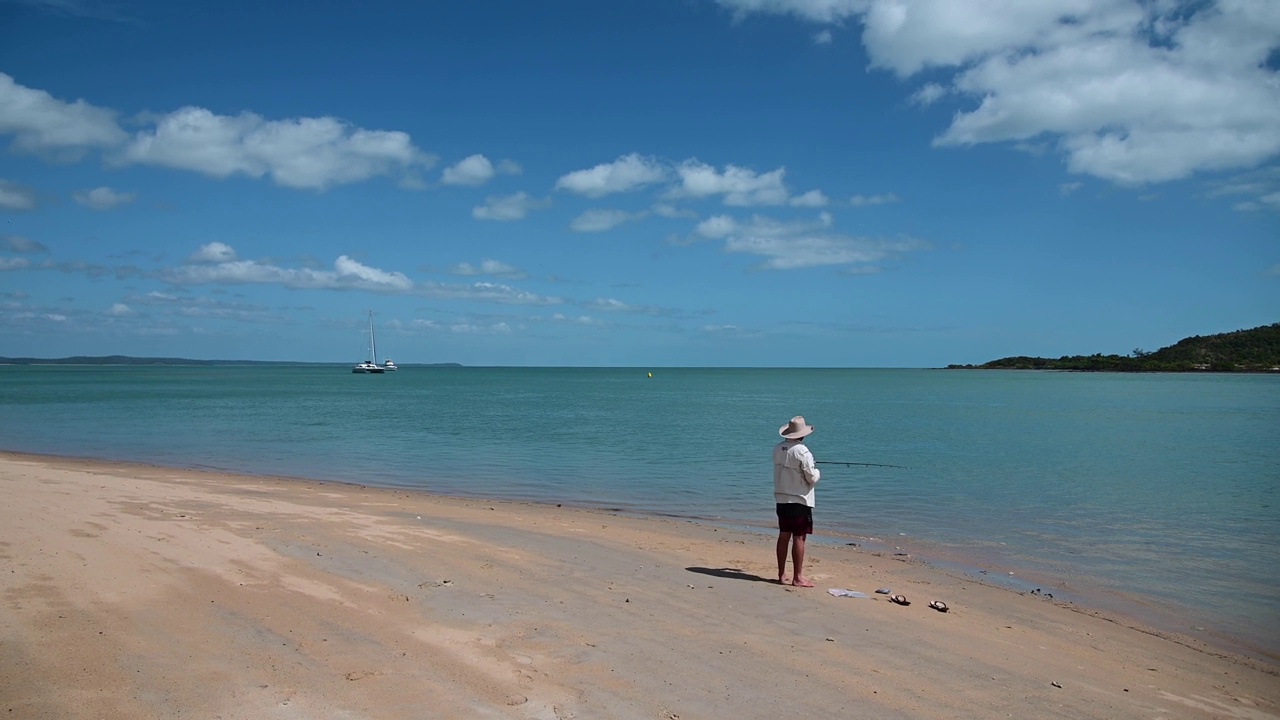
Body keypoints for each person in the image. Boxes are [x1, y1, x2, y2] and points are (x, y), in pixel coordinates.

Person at [773, 415, 820, 587]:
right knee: (799, 538)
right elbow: (811, 478)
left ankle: (781, 574)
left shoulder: (778, 448)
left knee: (784, 535)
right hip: (799, 500)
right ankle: (798, 577)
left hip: (781, 498)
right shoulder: (803, 451)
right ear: (802, 434)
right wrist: (817, 472)